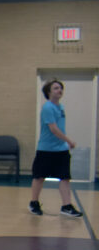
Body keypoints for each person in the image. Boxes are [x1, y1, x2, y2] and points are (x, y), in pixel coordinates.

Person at [28, 79, 83, 217]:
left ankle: (66, 206)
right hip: (46, 149)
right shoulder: (47, 108)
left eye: (60, 88)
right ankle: (33, 203)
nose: (60, 90)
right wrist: (69, 140)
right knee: (39, 177)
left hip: (61, 150)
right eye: (56, 88)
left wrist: (64, 144)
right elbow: (53, 129)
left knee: (64, 178)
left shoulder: (61, 107)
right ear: (49, 92)